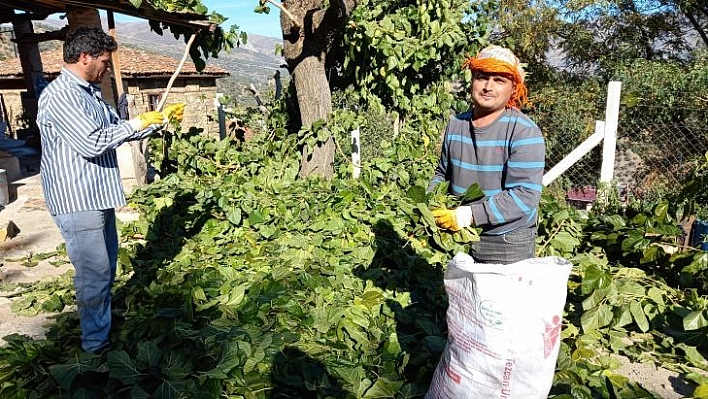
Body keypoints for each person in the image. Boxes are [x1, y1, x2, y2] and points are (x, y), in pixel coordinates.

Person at [37, 26, 185, 354]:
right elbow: (92, 142)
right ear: (85, 57)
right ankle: (95, 347)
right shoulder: (62, 95)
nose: (106, 67)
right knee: (94, 272)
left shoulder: (89, 93)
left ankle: (100, 323)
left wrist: (156, 121)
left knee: (106, 267)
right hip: (77, 199)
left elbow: (114, 130)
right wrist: (138, 123)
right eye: (103, 61)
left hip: (97, 195)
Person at [429, 45, 545, 264]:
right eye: (482, 78)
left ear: (513, 89)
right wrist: (431, 204)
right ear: (472, 80)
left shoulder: (523, 131)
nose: (488, 87)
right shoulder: (456, 124)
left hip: (506, 240)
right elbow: (442, 174)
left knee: (498, 298)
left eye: (499, 80)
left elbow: (524, 195)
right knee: (460, 298)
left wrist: (467, 215)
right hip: (458, 236)